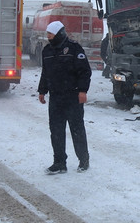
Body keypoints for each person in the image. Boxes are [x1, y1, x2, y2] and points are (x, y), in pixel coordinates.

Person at [38, 21, 92, 174]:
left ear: (59, 33)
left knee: (77, 130)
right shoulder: (47, 51)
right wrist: (42, 91)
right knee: (56, 131)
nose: (48, 37)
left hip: (73, 97)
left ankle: (83, 160)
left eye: (51, 34)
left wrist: (82, 91)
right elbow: (45, 73)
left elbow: (84, 71)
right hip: (56, 98)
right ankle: (59, 163)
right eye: (47, 34)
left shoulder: (74, 48)